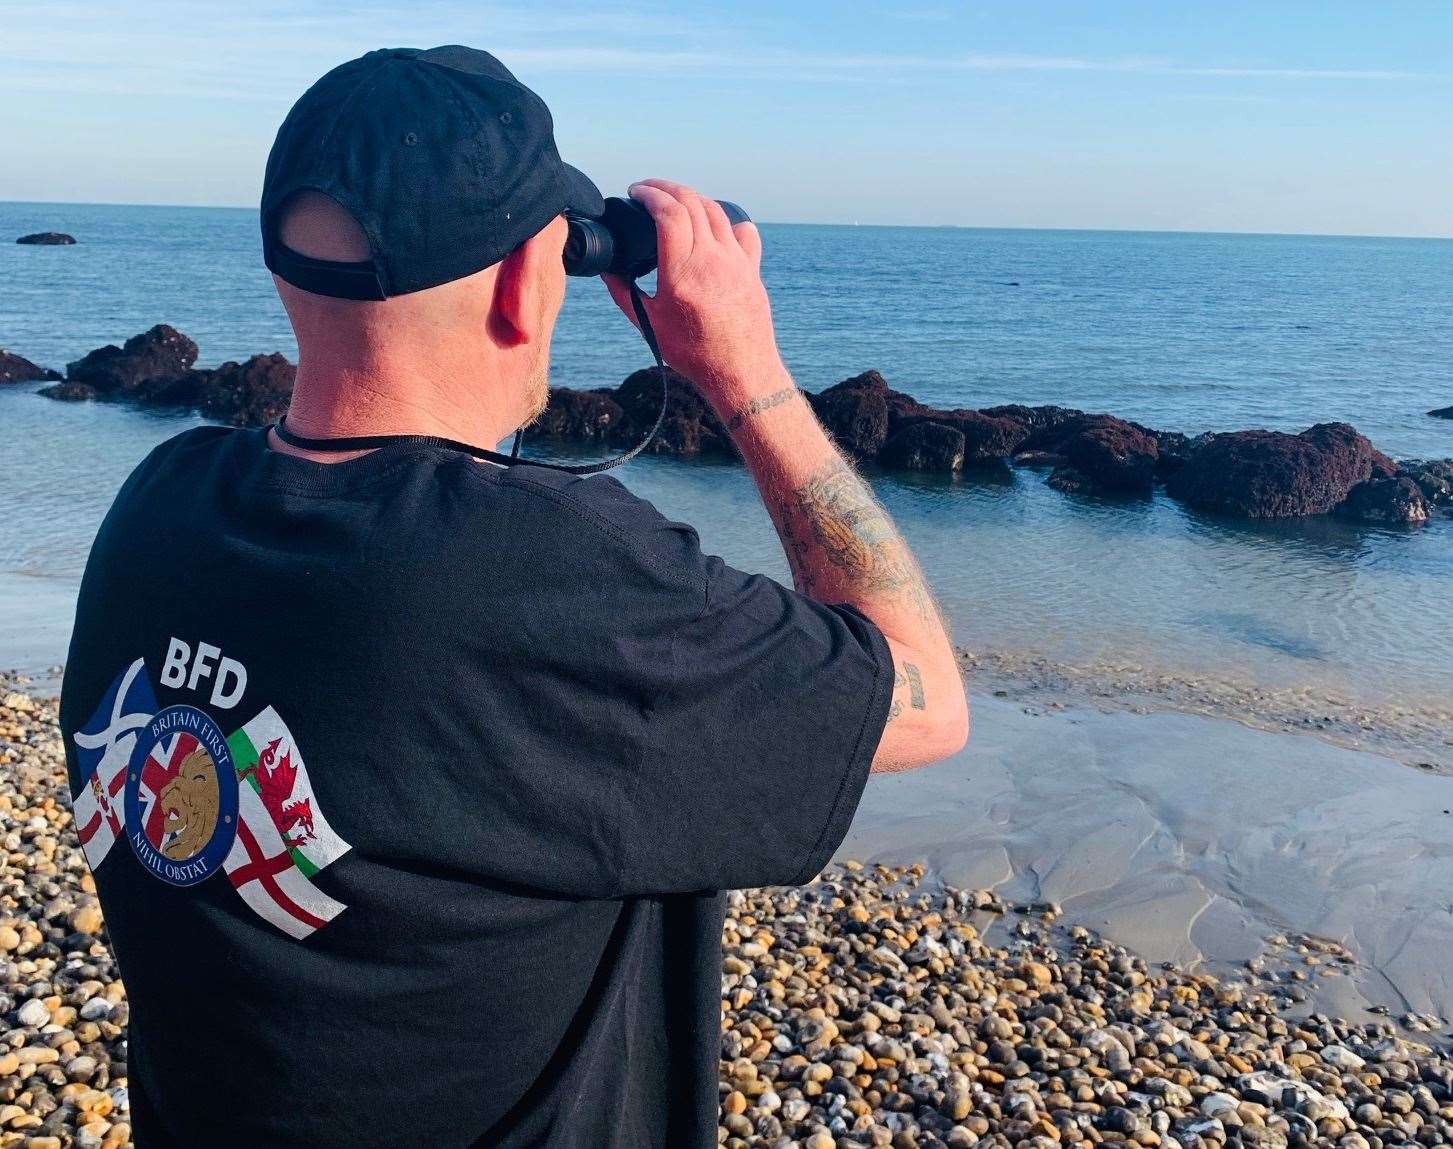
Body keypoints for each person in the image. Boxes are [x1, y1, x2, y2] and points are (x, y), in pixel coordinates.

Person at [59, 45, 968, 1149]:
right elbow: (920, 698)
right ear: (525, 281)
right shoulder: (557, 575)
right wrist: (746, 375)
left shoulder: (159, 507)